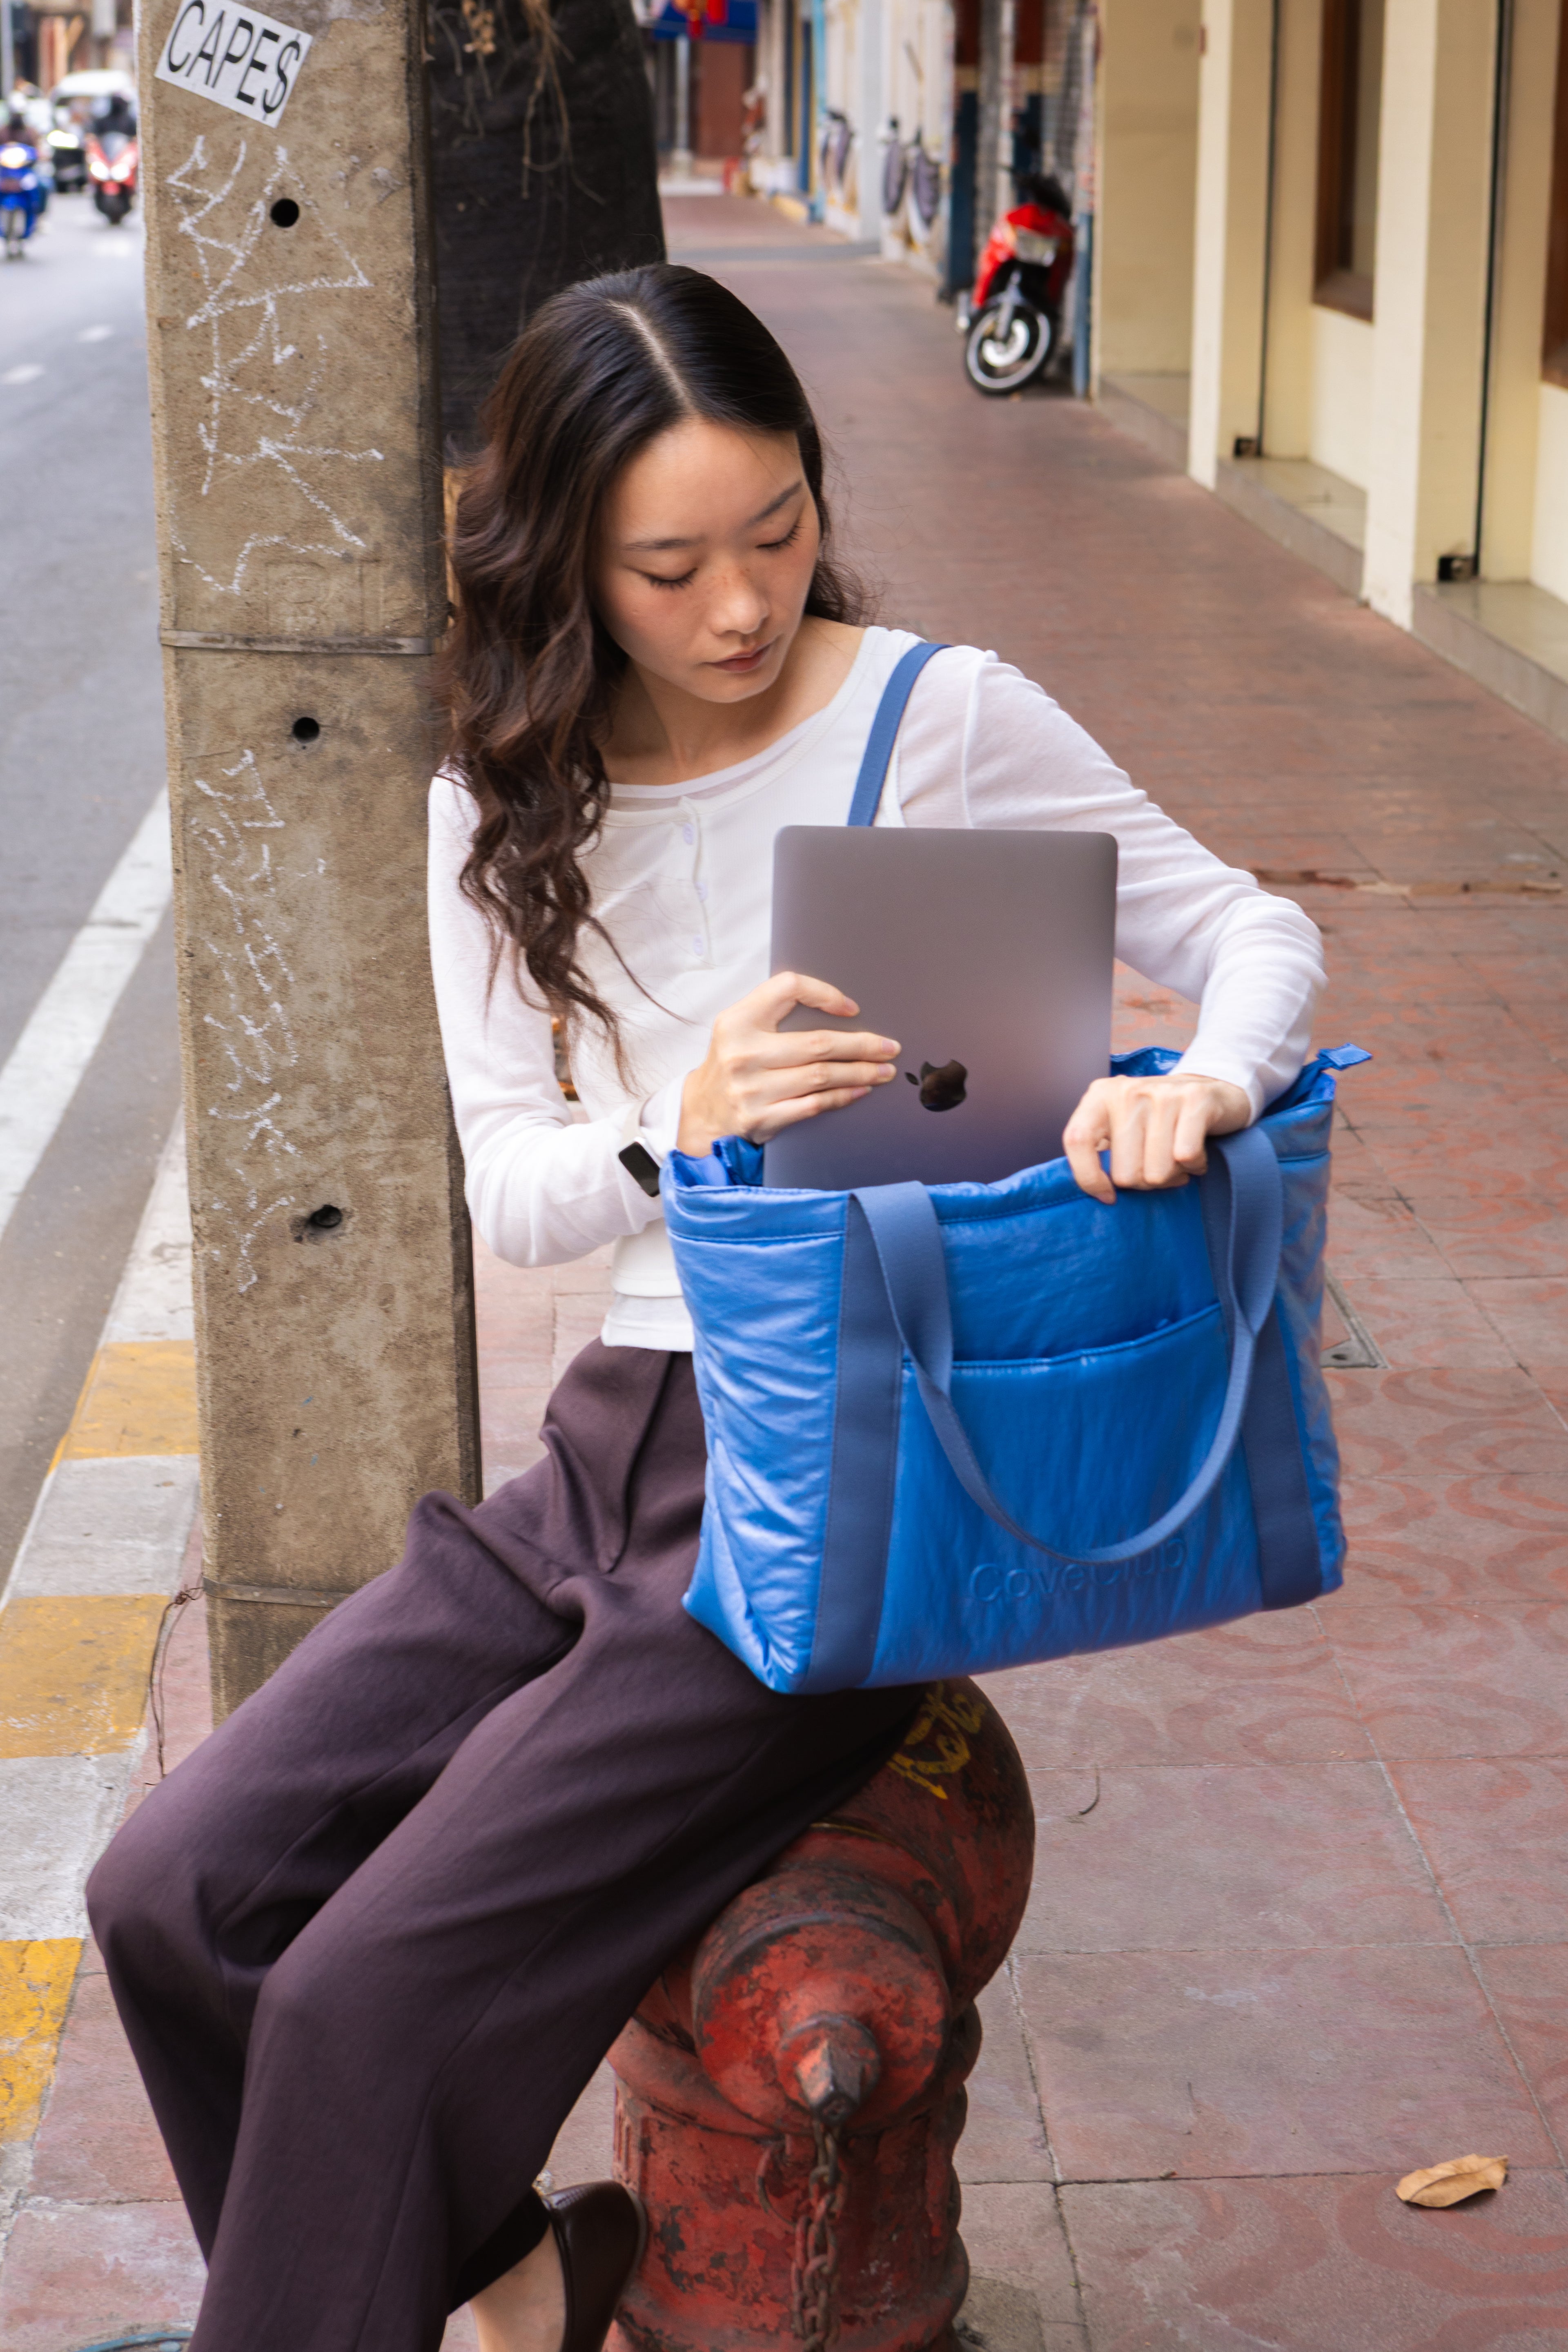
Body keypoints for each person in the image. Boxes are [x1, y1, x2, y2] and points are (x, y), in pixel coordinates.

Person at [86, 264, 1323, 2352]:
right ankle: (499, 2280)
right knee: (175, 1890)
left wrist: (1202, 1082)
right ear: (568, 559)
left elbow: (1254, 929)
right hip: (608, 1458)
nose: (744, 606)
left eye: (778, 532)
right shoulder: (497, 799)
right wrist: (690, 1115)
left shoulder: (935, 718)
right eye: (672, 565)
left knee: (370, 2000)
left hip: (849, 1488)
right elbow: (523, 1201)